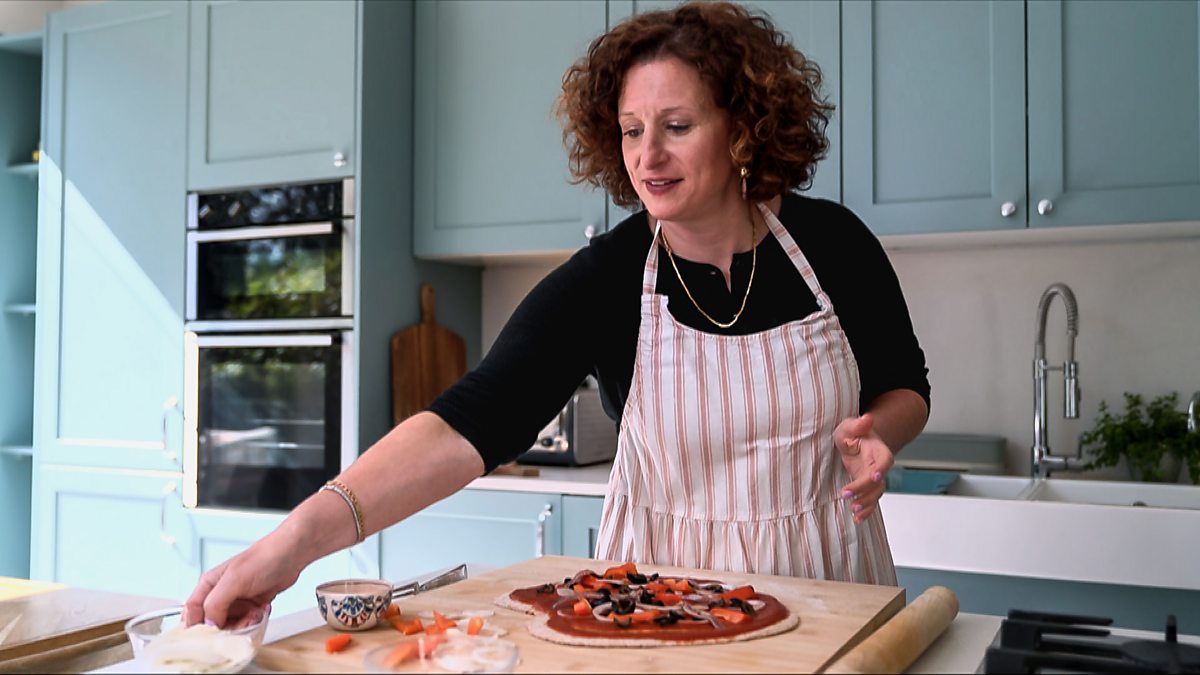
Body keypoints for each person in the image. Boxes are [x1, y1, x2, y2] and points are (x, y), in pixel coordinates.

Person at [185, 1, 930, 628]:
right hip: (659, 611)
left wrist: (880, 434)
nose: (648, 156)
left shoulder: (833, 245)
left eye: (676, 126)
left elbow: (905, 383)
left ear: (742, 129)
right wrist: (289, 544)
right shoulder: (608, 278)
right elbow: (470, 420)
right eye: (632, 130)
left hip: (829, 591)